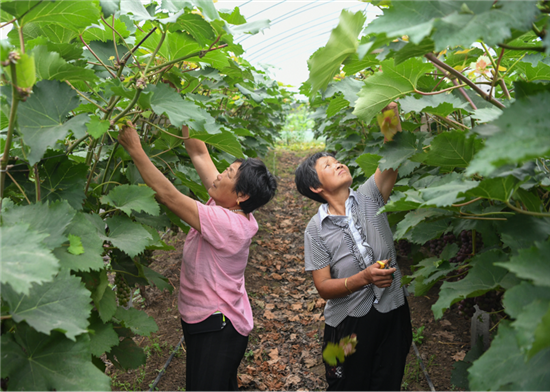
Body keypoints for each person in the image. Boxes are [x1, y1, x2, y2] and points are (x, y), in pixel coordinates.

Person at [118, 123, 277, 391]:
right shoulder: (228, 203)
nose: (218, 175)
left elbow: (169, 196)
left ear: (242, 195)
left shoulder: (227, 223)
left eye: (227, 173)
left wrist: (135, 148)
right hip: (207, 318)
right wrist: (179, 108)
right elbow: (199, 154)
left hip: (217, 326)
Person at [294, 103, 412, 391]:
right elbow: (323, 287)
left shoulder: (371, 196)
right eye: (327, 165)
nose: (338, 164)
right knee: (345, 383)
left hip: (394, 312)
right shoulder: (315, 229)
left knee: (388, 381)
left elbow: (393, 148)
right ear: (316, 188)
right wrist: (364, 278)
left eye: (337, 160)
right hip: (348, 327)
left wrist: (389, 108)